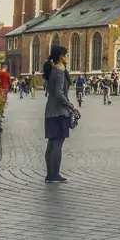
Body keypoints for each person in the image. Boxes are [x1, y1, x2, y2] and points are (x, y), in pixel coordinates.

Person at [44, 45, 78, 183]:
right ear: (60, 57)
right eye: (66, 55)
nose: (67, 57)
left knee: (51, 144)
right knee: (57, 144)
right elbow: (59, 93)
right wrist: (69, 105)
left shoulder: (53, 71)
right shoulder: (59, 73)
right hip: (59, 112)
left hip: (50, 111)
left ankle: (49, 175)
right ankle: (55, 175)